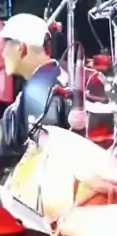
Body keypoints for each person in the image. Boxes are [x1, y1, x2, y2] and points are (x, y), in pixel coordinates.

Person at [0, 13, 69, 163]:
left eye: (6, 46)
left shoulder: (37, 95)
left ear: (21, 48)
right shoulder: (58, 77)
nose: (3, 54)